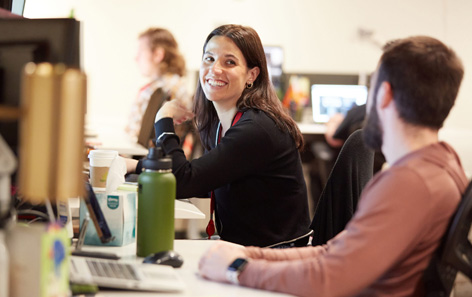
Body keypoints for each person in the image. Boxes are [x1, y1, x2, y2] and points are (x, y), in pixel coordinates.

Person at [198, 36, 468, 296]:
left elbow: (327, 278)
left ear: (383, 95)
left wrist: (238, 269)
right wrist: (248, 255)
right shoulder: (444, 164)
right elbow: (335, 253)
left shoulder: (408, 183)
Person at [127, 24, 311, 248]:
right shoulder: (222, 124)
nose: (214, 69)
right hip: (242, 250)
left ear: (251, 75)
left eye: (229, 62)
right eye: (209, 59)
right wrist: (137, 167)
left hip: (274, 258)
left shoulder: (256, 128)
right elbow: (208, 178)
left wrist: (163, 119)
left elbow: (183, 182)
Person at [125, 27, 195, 156]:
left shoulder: (165, 90)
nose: (136, 57)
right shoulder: (172, 85)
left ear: (157, 54)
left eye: (141, 51)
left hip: (145, 160)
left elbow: (141, 137)